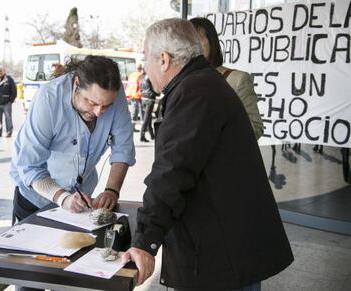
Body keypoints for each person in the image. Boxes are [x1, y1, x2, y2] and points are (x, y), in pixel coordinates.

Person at [122, 18, 294, 290]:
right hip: (229, 245)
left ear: (164, 60)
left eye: (146, 58)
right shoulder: (201, 83)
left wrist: (145, 242)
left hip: (222, 256)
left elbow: (172, 171)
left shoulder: (194, 91)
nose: (145, 67)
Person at [10, 55, 135, 221]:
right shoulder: (48, 98)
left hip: (80, 200)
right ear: (76, 84)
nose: (98, 112)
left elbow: (123, 149)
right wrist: (63, 198)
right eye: (91, 102)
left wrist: (112, 190)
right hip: (36, 197)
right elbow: (30, 166)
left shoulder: (114, 95)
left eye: (106, 106)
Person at [190, 17, 264, 140]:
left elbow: (255, 129)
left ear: (212, 42)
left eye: (198, 38)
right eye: (188, 40)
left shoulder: (237, 79)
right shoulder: (180, 82)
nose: (193, 45)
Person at [0, 65, 17, 138]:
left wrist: (10, 101)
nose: (0, 72)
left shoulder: (9, 79)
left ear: (4, 71)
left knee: (8, 118)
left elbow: (14, 91)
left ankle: (9, 132)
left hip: (7, 103)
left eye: (1, 70)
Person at [125, 63, 144, 132]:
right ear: (141, 69)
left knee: (134, 111)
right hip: (137, 95)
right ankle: (143, 128)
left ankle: (132, 127)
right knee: (141, 111)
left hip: (131, 94)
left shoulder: (132, 75)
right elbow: (142, 85)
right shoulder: (140, 75)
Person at [139, 71, 157, 142]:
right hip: (150, 99)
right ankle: (142, 136)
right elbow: (154, 89)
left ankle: (152, 135)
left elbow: (141, 89)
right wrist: (157, 94)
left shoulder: (142, 79)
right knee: (146, 119)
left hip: (143, 99)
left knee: (148, 117)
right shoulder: (150, 79)